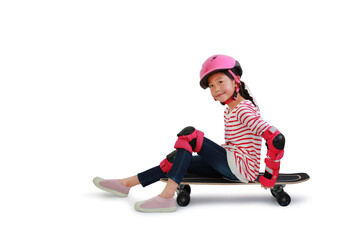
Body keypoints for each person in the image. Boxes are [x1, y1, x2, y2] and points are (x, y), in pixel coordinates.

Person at [93, 54, 285, 213]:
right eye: (211, 86)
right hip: (232, 162)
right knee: (176, 158)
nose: (216, 89)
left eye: (220, 81)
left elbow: (275, 138)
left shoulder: (243, 109)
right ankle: (125, 184)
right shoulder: (231, 109)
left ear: (236, 81)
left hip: (240, 168)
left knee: (190, 136)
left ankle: (166, 196)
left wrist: (270, 176)